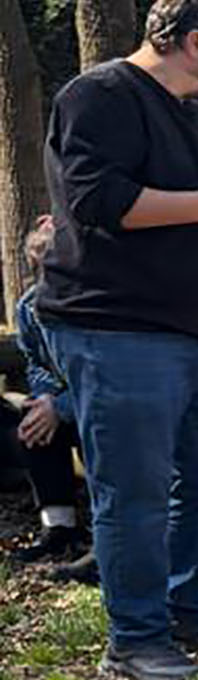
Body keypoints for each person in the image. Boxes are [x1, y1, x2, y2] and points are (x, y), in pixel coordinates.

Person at [35, 0, 198, 680]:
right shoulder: (98, 96)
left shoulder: (189, 115)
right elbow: (95, 199)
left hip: (188, 330)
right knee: (135, 488)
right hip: (113, 326)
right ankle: (134, 638)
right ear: (194, 41)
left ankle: (183, 606)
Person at [7, 218, 87, 564]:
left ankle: (106, 532)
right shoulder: (29, 308)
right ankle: (58, 526)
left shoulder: (93, 305)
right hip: (60, 397)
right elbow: (35, 363)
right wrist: (45, 398)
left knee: (92, 424)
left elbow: (101, 373)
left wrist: (62, 407)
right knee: (32, 416)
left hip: (101, 398)